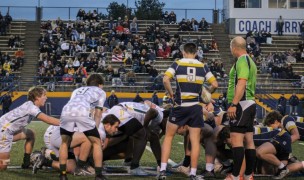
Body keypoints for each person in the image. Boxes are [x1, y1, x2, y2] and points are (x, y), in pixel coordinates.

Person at [157, 42, 218, 180]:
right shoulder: (203, 66)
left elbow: (166, 79)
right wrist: (206, 94)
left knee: (168, 137)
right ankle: (193, 173)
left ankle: (162, 171)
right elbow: (215, 84)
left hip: (180, 105)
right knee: (195, 141)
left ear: (183, 52)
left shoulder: (177, 63)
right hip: (195, 106)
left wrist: (171, 94)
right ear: (196, 53)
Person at [58, 74, 107, 180]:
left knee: (65, 143)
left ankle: (62, 174)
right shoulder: (101, 91)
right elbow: (98, 113)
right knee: (96, 142)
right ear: (100, 84)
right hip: (83, 111)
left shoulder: (77, 90)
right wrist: (96, 130)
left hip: (66, 110)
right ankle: (98, 175)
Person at [0, 87, 60, 170]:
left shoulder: (30, 105)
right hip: (3, 132)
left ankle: (26, 162)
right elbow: (48, 120)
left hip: (8, 131)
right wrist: (66, 123)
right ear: (37, 97)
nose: (46, 97)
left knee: (30, 133)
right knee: (3, 166)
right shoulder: (31, 107)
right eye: (44, 95)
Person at [225, 36, 257, 180]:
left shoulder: (242, 61)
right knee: (249, 141)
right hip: (249, 103)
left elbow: (242, 83)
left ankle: (236, 176)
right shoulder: (250, 60)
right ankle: (249, 174)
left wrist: (234, 104)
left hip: (241, 104)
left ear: (234, 48)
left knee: (236, 140)